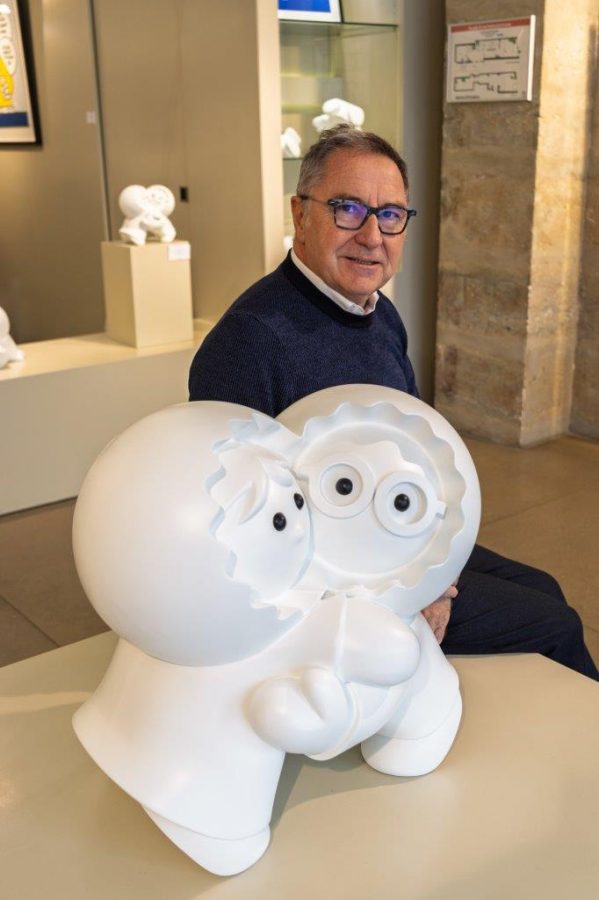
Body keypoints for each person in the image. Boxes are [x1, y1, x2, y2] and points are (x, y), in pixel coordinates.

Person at [189, 125, 598, 680]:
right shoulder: (248, 343)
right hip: (348, 586)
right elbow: (241, 537)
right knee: (557, 625)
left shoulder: (380, 315)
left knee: (544, 586)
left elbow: (418, 451)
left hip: (400, 533)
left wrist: (439, 571)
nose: (372, 236)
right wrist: (419, 589)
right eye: (347, 209)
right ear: (300, 214)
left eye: (390, 215)